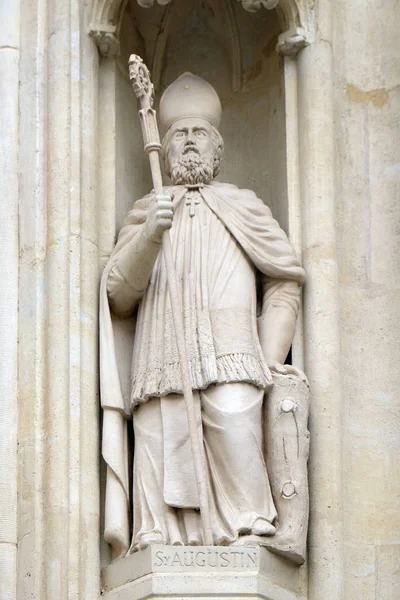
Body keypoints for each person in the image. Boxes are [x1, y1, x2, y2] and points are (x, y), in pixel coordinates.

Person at [100, 73, 306, 558]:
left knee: (235, 424)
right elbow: (116, 294)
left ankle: (247, 524)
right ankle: (159, 537)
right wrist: (151, 233)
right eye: (179, 136)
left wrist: (270, 354)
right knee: (157, 435)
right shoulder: (148, 209)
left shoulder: (244, 206)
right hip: (162, 354)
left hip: (232, 352)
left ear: (217, 149)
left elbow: (284, 278)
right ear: (165, 151)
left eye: (199, 136)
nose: (189, 144)